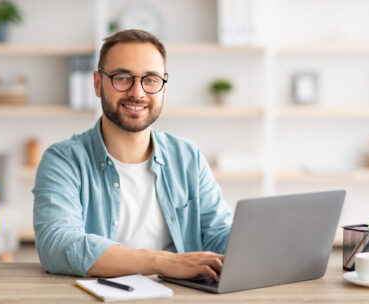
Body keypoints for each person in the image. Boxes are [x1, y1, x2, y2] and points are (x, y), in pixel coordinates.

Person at [33, 29, 233, 281]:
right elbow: (57, 246)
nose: (137, 92)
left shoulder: (187, 156)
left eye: (150, 79)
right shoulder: (63, 160)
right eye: (122, 77)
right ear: (97, 83)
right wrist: (163, 262)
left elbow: (218, 234)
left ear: (164, 88)